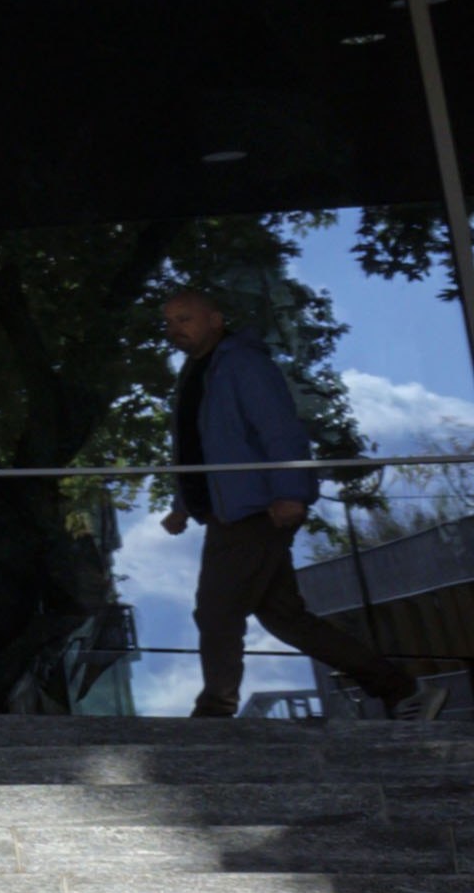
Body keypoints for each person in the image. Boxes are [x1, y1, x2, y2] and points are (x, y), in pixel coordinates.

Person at [158, 281, 414, 718]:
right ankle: (397, 687)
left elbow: (279, 430)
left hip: (252, 511)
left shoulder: (242, 364)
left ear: (216, 321)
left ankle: (215, 709)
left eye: (185, 319)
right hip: (231, 510)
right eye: (168, 322)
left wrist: (292, 492)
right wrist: (184, 503)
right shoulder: (197, 373)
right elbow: (199, 447)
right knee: (285, 618)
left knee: (217, 611)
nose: (174, 329)